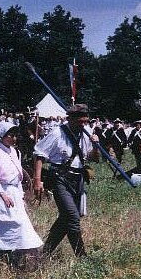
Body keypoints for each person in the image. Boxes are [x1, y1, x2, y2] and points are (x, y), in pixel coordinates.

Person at [33, 104, 99, 258]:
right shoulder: (57, 133)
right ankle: (82, 257)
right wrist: (37, 180)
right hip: (60, 179)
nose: (83, 125)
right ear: (71, 119)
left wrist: (96, 146)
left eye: (85, 121)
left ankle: (45, 253)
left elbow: (93, 158)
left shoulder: (87, 133)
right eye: (80, 122)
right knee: (72, 217)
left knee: (65, 218)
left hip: (78, 179)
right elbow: (39, 154)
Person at [0, 121, 43, 265]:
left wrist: (20, 195)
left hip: (13, 192)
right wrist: (2, 194)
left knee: (22, 223)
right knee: (9, 225)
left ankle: (21, 256)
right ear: (2, 135)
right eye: (10, 136)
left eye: (15, 136)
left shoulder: (15, 152)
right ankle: (4, 255)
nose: (14, 139)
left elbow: (18, 176)